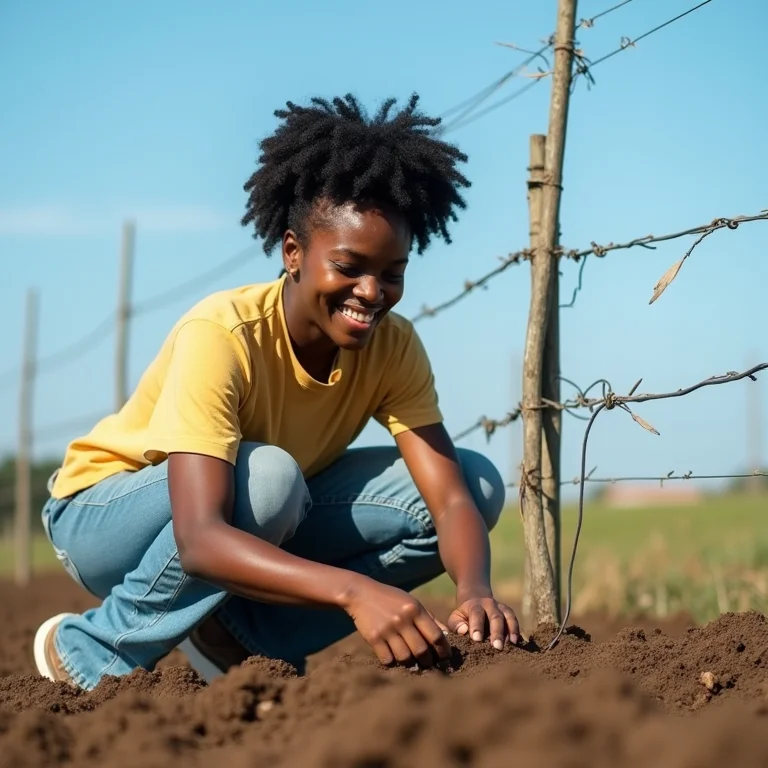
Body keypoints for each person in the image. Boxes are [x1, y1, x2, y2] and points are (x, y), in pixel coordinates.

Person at [34, 93, 519, 691]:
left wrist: (475, 592)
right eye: (349, 267)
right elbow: (201, 537)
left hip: (262, 508)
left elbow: (448, 501)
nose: (372, 292)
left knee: (476, 481)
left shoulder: (393, 347)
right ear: (293, 253)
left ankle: (239, 637)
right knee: (269, 479)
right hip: (103, 516)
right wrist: (354, 592)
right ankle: (91, 649)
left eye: (392, 273)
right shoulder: (224, 333)